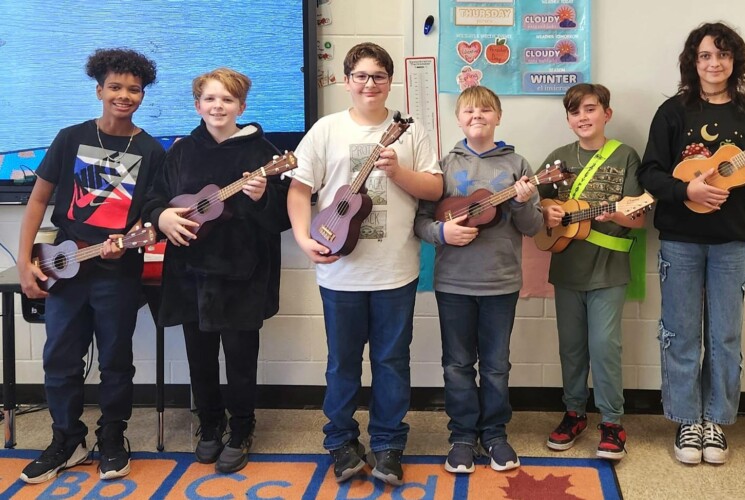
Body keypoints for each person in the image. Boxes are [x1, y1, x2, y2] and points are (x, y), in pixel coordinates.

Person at [287, 42, 442, 486]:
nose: (369, 84)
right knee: (342, 363)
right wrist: (302, 239)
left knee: (392, 360)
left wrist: (398, 173)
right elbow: (299, 190)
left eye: (378, 76)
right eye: (361, 75)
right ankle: (341, 442)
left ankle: (390, 444)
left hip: (396, 270)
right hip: (339, 272)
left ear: (389, 81)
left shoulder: (411, 133)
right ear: (346, 80)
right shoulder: (325, 129)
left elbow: (433, 188)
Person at [17, 48, 165, 483]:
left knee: (116, 359)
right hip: (63, 265)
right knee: (60, 357)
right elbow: (38, 200)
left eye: (133, 89)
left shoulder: (151, 150)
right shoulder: (70, 137)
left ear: (142, 95)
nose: (124, 95)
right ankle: (67, 439)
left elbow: (151, 216)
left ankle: (113, 438)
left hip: (116, 273)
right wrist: (26, 261)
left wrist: (133, 235)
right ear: (99, 90)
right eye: (115, 87)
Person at [141, 68, 290, 474]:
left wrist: (262, 197)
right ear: (197, 105)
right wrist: (163, 217)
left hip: (242, 274)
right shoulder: (181, 151)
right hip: (190, 271)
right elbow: (153, 200)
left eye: (227, 99)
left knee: (240, 358)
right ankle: (209, 423)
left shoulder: (264, 153)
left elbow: (285, 215)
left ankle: (241, 427)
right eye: (210, 99)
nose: (218, 106)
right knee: (199, 356)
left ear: (241, 106)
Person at [638, 22, 745, 465]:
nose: (715, 64)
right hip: (680, 237)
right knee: (679, 333)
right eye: (706, 56)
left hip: (733, 238)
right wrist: (686, 191)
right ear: (693, 63)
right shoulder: (673, 113)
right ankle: (685, 418)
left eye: (723, 55)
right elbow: (650, 173)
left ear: (736, 61)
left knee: (726, 335)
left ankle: (716, 420)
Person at [413, 86, 542, 474]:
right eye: (468, 110)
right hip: (453, 283)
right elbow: (421, 221)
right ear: (458, 118)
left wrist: (521, 202)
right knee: (456, 363)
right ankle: (462, 436)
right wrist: (442, 234)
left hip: (501, 282)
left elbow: (534, 227)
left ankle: (495, 434)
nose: (477, 116)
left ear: (498, 116)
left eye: (485, 110)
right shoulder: (442, 165)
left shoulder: (518, 165)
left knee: (497, 365)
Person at [538, 83, 645, 461]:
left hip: (609, 269)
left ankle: (613, 421)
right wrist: (547, 211)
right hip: (566, 267)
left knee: (604, 346)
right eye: (575, 112)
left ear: (606, 114)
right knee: (571, 348)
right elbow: (539, 208)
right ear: (568, 120)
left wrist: (619, 214)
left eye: (590, 109)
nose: (583, 117)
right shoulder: (557, 159)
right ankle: (573, 413)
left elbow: (641, 215)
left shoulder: (625, 156)